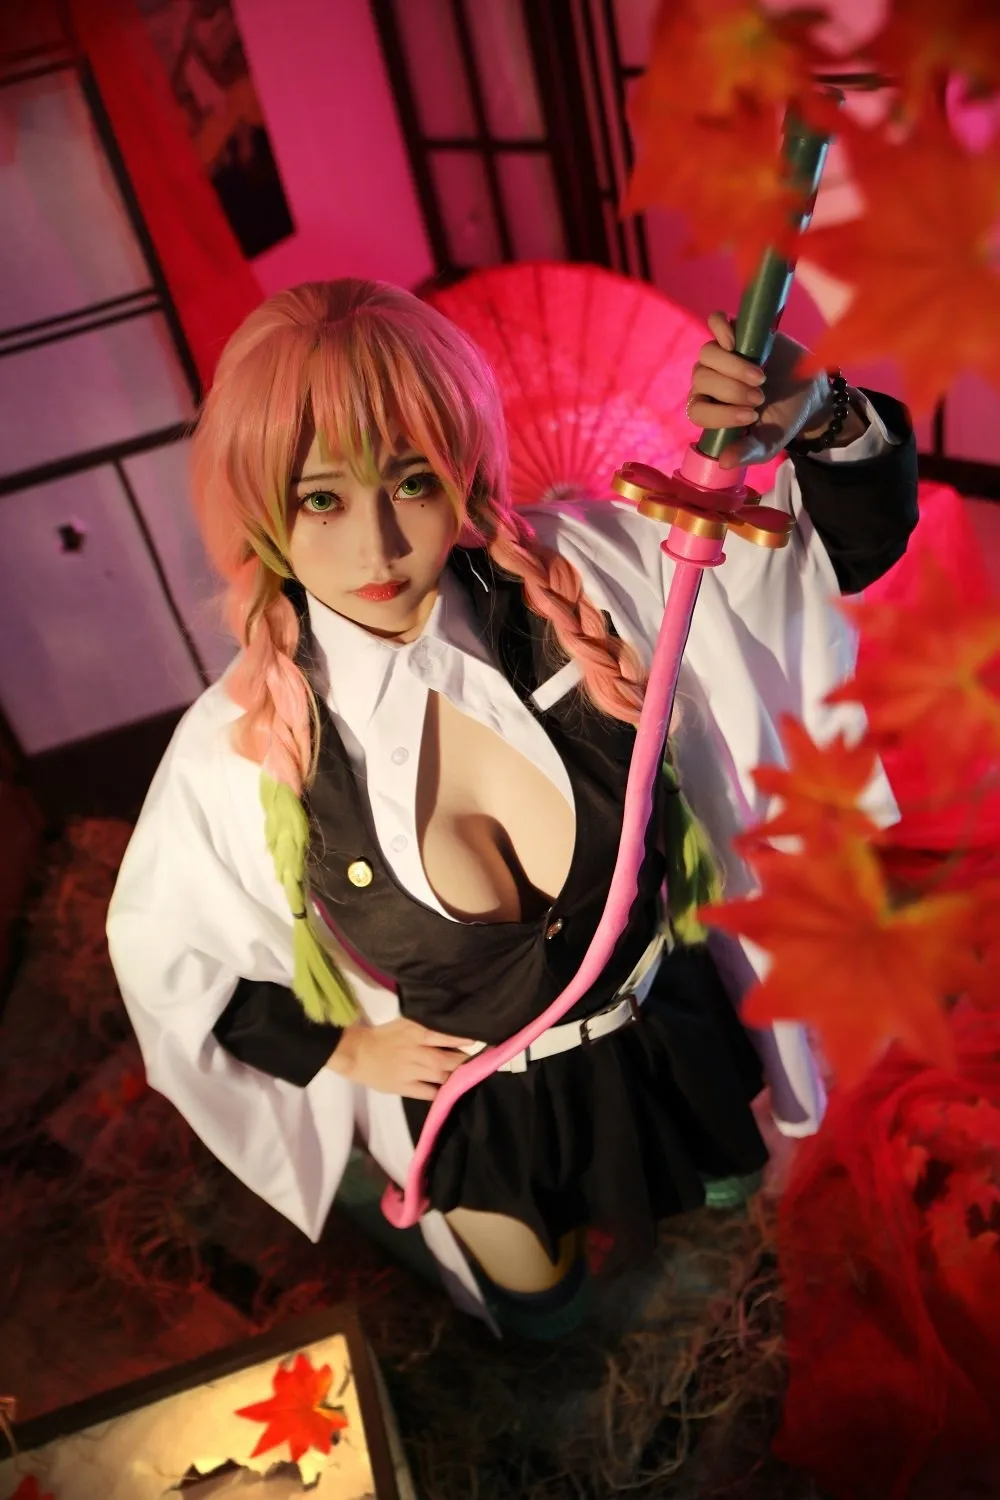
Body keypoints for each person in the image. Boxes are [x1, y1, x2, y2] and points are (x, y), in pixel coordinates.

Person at [106, 279, 916, 1335]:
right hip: (486, 1113)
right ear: (259, 507)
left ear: (462, 465)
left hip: (663, 1037)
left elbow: (824, 560)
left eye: (411, 481)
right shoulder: (241, 749)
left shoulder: (600, 577)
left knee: (717, 1250)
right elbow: (172, 962)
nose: (377, 549)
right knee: (542, 1309)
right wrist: (343, 1053)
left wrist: (823, 416)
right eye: (321, 500)